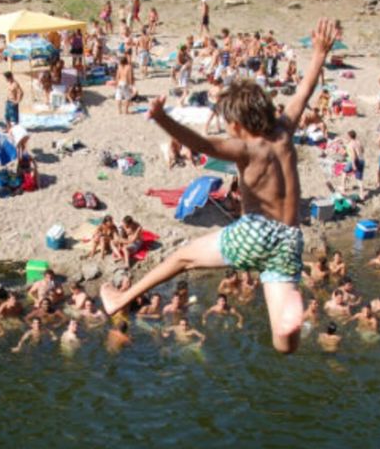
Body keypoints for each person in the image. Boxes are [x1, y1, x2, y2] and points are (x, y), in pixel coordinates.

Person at [101, 18, 339, 354]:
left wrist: (162, 118)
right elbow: (304, 90)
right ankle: (288, 326)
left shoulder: (246, 148)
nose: (227, 130)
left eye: (228, 124)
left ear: (239, 124)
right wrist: (319, 54)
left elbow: (202, 146)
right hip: (290, 237)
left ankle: (119, 299)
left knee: (183, 258)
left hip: (257, 232)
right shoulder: (285, 130)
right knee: (284, 346)